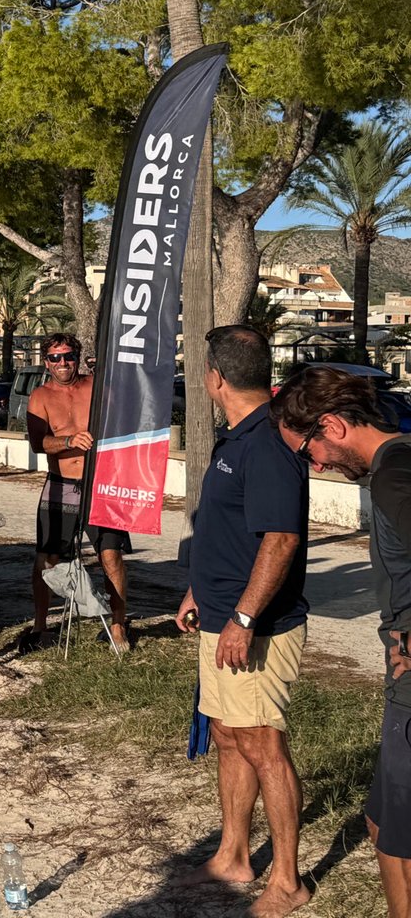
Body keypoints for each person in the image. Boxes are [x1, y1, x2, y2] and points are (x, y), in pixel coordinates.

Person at [174, 325, 309, 918]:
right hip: (222, 614)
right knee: (228, 735)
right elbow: (230, 533)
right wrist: (195, 590)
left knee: (262, 743)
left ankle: (288, 881)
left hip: (255, 627)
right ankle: (233, 855)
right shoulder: (240, 438)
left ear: (216, 378)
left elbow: (280, 540)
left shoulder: (268, 445)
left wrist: (245, 617)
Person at [271, 366, 411, 917]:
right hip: (398, 676)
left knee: (397, 840)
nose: (317, 464)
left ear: (332, 424)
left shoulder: (396, 475)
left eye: (310, 449)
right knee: (380, 816)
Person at [25, 333, 130, 650]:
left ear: (77, 357)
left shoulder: (97, 388)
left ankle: (118, 626)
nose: (62, 363)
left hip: (99, 484)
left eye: (68, 356)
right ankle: (40, 625)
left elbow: (122, 423)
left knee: (110, 555)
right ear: (46, 362)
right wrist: (69, 442)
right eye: (55, 358)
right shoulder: (40, 396)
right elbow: (37, 443)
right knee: (47, 559)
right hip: (61, 485)